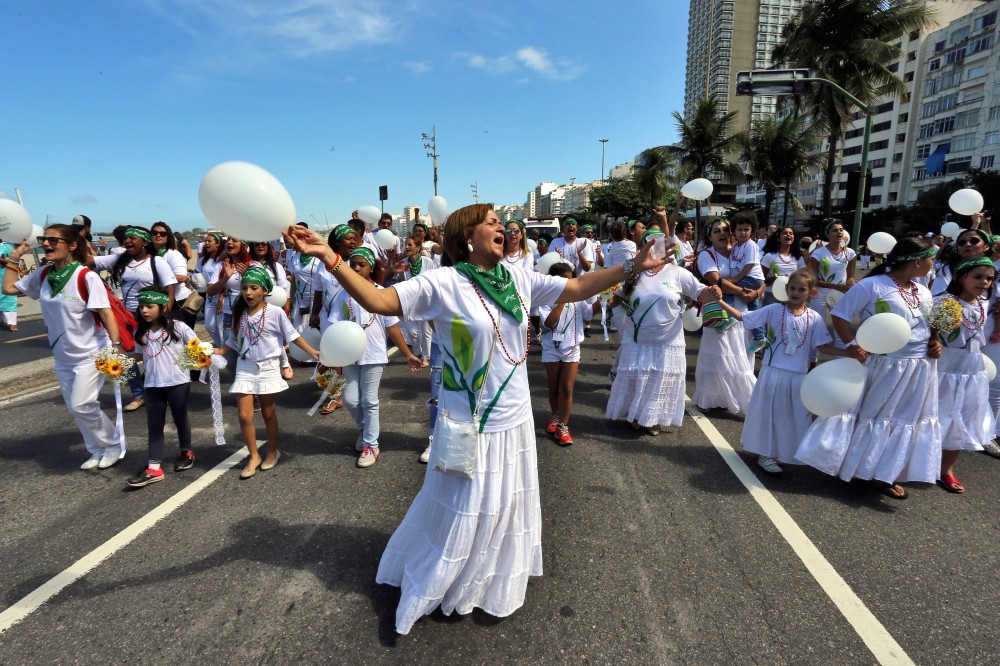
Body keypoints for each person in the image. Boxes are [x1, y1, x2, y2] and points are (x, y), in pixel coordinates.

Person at [282, 202, 666, 635]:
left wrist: (632, 267)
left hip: (516, 416)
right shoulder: (444, 283)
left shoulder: (517, 277)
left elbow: (576, 286)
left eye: (502, 224)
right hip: (470, 423)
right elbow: (380, 300)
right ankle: (446, 578)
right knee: (464, 508)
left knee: (504, 504)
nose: (503, 229)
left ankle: (489, 576)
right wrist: (329, 257)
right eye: (493, 223)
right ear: (468, 236)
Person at [795, 237, 941, 500]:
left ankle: (885, 471)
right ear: (917, 262)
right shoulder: (873, 285)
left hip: (919, 367)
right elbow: (840, 314)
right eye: (931, 258)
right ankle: (860, 468)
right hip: (883, 365)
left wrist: (935, 342)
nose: (934, 263)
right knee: (874, 416)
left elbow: (929, 326)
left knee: (903, 418)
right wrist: (852, 344)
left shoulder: (924, 291)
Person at [2, 226, 124, 469]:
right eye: (43, 239)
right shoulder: (44, 274)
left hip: (92, 354)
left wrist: (116, 346)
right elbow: (9, 289)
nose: (46, 243)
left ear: (71, 245)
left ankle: (113, 445)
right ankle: (96, 449)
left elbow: (106, 313)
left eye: (53, 240)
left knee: (82, 404)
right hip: (63, 355)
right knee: (75, 407)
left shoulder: (85, 276)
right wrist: (14, 259)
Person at [714, 269, 847, 473]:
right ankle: (765, 454)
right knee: (770, 413)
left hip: (797, 376)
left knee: (792, 416)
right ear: (786, 289)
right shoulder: (774, 310)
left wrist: (848, 353)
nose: (795, 292)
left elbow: (821, 346)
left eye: (801, 289)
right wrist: (720, 301)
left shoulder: (815, 318)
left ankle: (783, 451)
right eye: (792, 288)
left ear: (811, 292)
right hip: (773, 372)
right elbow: (744, 317)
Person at [606, 229, 722, 435]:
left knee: (661, 377)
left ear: (667, 246)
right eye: (650, 243)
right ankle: (635, 414)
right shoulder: (635, 271)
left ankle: (652, 419)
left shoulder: (678, 273)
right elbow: (621, 295)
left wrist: (712, 291)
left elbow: (699, 292)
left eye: (660, 242)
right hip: (638, 337)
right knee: (638, 376)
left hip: (667, 338)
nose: (656, 247)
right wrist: (611, 300)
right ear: (643, 247)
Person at [214, 267, 319, 478]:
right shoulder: (239, 312)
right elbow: (232, 341)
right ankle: (254, 456)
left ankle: (272, 451)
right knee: (244, 415)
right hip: (245, 367)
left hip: (268, 367)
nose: (248, 293)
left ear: (265, 290)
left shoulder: (275, 312)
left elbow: (292, 336)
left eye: (254, 288)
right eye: (244, 288)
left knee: (268, 412)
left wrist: (312, 352)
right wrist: (217, 351)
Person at [328, 248, 422, 468]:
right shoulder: (343, 293)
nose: (357, 268)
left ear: (371, 267)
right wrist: (330, 354)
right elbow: (334, 325)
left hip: (373, 352)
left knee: (369, 400)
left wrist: (408, 354)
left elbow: (393, 328)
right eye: (353, 265)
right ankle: (364, 428)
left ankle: (372, 444)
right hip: (349, 355)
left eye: (362, 264)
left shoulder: (380, 292)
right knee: (350, 399)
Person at [90, 227, 177, 412]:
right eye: (126, 238)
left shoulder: (157, 262)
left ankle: (160, 389)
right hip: (124, 317)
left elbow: (170, 289)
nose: (127, 241)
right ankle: (139, 394)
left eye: (132, 238)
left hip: (150, 317)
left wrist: (165, 316)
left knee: (152, 355)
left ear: (145, 242)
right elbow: (89, 261)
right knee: (124, 355)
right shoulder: (119, 259)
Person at [934, 257, 997, 493]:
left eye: (989, 278)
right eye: (978, 277)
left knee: (959, 419)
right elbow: (931, 334)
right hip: (944, 368)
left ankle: (946, 470)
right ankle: (919, 463)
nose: (984, 282)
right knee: (934, 415)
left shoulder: (982, 303)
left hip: (971, 369)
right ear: (961, 277)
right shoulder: (943, 301)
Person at [126, 289, 198, 488]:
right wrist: (120, 361)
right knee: (154, 425)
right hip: (152, 385)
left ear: (163, 307)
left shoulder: (179, 328)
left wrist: (198, 357)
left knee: (180, 418)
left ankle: (186, 451)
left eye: (150, 307)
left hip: (177, 383)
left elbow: (196, 347)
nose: (145, 311)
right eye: (141, 307)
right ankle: (154, 467)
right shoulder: (141, 332)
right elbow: (140, 354)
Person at [692, 219, 758, 414]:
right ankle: (717, 399)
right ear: (710, 236)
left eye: (726, 229)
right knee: (720, 357)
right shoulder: (706, 255)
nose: (722, 233)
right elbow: (715, 280)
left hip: (743, 312)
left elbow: (758, 272)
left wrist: (757, 292)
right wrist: (743, 292)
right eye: (716, 230)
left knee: (742, 355)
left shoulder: (740, 251)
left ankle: (729, 398)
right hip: (720, 313)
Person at [538, 262, 591, 445]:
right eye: (565, 282)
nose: (569, 286)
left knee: (567, 388)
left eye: (571, 281)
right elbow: (549, 323)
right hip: (551, 348)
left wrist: (604, 300)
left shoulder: (578, 298)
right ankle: (555, 415)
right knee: (553, 387)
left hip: (572, 347)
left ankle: (563, 426)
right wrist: (561, 301)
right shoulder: (544, 300)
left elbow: (589, 313)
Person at [807, 219, 856, 348]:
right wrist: (835, 286)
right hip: (820, 293)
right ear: (827, 234)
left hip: (840, 294)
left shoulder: (849, 253)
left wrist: (854, 285)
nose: (839, 232)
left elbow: (849, 277)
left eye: (841, 230)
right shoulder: (818, 253)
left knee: (841, 327)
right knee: (816, 327)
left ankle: (841, 359)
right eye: (835, 230)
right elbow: (813, 279)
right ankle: (812, 361)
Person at [728, 211, 767, 352]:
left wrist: (735, 279)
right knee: (753, 310)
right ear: (734, 231)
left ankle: (730, 317)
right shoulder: (735, 247)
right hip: (748, 279)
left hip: (752, 278)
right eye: (740, 229)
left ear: (752, 231)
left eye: (747, 229)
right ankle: (760, 336)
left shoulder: (750, 245)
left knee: (726, 288)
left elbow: (749, 264)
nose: (743, 232)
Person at [150, 221, 196, 328]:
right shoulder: (151, 255)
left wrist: (156, 278)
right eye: (155, 232)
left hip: (179, 302)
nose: (158, 235)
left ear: (168, 237)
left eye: (162, 234)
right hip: (158, 299)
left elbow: (182, 277)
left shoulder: (173, 255)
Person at [761, 226, 805, 305]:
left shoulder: (798, 258)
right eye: (785, 233)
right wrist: (773, 279)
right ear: (778, 238)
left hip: (792, 296)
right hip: (771, 296)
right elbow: (761, 279)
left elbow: (804, 276)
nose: (788, 235)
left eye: (791, 233)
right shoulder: (769, 256)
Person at [197, 232, 227, 346]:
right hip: (209, 296)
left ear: (218, 244)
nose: (207, 243)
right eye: (205, 241)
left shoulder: (223, 260)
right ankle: (221, 347)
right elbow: (197, 274)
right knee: (209, 326)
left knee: (220, 327)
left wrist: (221, 298)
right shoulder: (203, 260)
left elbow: (226, 279)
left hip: (222, 296)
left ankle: (224, 352)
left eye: (210, 241)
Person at [0, 238, 18, 331]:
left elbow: (13, 261)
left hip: (4, 278)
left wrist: (1, 260)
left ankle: (12, 324)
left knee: (9, 300)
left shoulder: (7, 247)